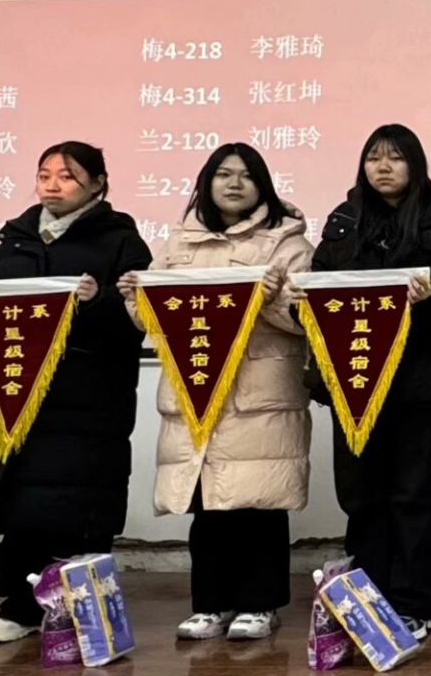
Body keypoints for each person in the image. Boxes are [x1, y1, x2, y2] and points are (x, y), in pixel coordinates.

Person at [0, 142, 152, 643]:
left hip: (87, 400)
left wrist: (97, 302)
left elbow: (140, 317)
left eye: (66, 176)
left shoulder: (119, 240)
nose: (52, 185)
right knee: (21, 504)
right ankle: (20, 608)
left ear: (98, 183)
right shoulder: (15, 241)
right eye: (44, 174)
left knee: (75, 506)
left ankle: (80, 614)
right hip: (17, 396)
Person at [114, 145, 313, 641]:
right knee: (207, 504)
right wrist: (134, 298)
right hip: (196, 389)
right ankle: (210, 604)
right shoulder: (179, 241)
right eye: (223, 174)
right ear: (207, 183)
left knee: (258, 502)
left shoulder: (288, 243)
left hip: (259, 392)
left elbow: (304, 318)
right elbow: (153, 319)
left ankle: (261, 605)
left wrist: (270, 299)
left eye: (246, 176)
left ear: (263, 186)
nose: (234, 184)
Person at [293, 124, 431, 642]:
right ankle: (369, 599)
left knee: (416, 495)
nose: (383, 167)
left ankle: (414, 603)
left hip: (423, 382)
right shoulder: (344, 219)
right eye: (374, 158)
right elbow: (317, 289)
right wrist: (302, 299)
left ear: (415, 164)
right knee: (363, 496)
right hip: (355, 382)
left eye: (395, 158)